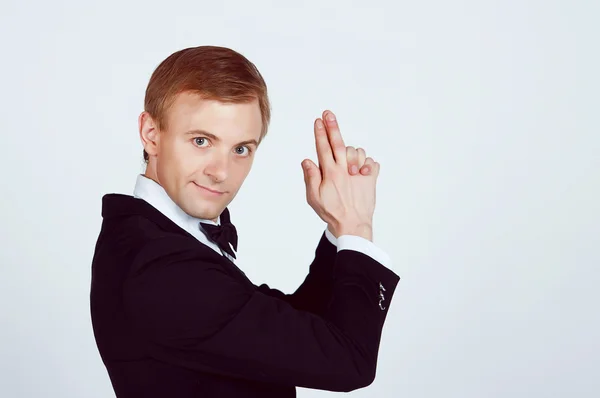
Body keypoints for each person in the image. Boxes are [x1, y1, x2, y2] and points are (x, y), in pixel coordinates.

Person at [90, 45, 400, 397]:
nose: (221, 172)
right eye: (201, 141)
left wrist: (337, 229)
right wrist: (356, 227)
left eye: (240, 149)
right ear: (151, 133)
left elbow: (295, 328)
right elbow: (348, 363)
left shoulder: (158, 240)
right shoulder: (160, 266)